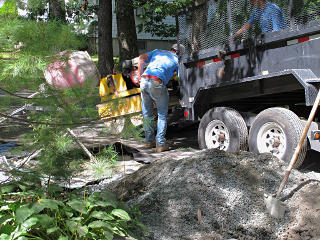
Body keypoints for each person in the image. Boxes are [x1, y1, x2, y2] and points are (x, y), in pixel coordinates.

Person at [137, 44, 184, 153]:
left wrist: (139, 76)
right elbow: (181, 78)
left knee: (147, 114)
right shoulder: (177, 60)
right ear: (179, 53)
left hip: (144, 81)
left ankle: (149, 141)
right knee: (162, 114)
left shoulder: (157, 51)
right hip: (156, 83)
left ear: (171, 49)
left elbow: (141, 58)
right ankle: (160, 144)